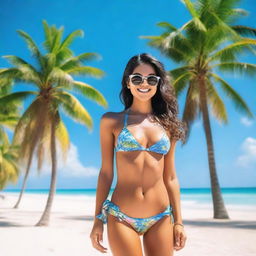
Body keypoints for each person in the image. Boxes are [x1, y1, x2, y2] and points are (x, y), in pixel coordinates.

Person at [90, 53, 187, 256]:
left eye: (151, 79)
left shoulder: (168, 126)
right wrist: (98, 219)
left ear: (158, 84)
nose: (144, 83)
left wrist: (179, 222)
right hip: (121, 216)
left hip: (160, 216)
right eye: (137, 78)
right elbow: (106, 173)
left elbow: (170, 177)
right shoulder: (111, 121)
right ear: (128, 83)